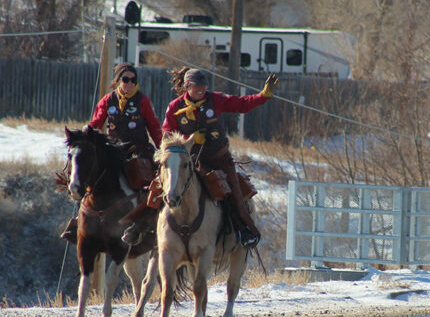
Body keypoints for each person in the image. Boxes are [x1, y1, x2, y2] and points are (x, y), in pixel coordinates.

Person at [161, 67, 278, 247]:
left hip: (219, 160)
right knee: (158, 189)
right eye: (197, 86)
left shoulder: (215, 100)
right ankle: (150, 231)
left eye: (204, 86)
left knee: (235, 194)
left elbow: (241, 104)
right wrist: (190, 140)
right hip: (189, 162)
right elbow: (167, 135)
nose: (202, 89)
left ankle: (244, 231)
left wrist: (263, 95)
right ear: (187, 86)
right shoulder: (175, 107)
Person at [61, 63, 163, 245]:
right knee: (91, 176)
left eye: (133, 80)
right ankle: (79, 220)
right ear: (118, 80)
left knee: (146, 181)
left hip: (137, 149)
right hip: (114, 150)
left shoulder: (143, 101)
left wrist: (162, 148)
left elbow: (154, 126)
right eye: (126, 79)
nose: (130, 83)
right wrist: (87, 134)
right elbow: (96, 123)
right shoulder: (108, 100)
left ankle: (147, 222)